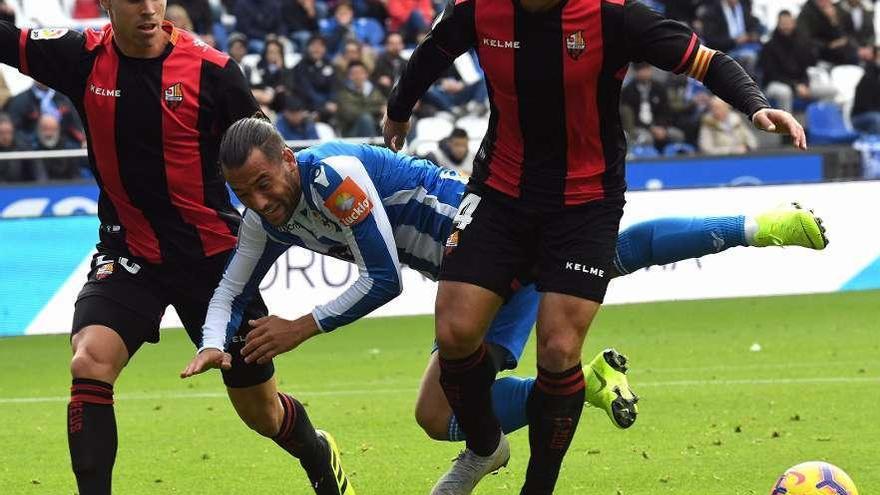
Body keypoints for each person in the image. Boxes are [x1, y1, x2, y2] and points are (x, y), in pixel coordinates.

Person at [181, 120, 827, 478]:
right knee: (613, 260)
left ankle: (756, 229)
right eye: (246, 194)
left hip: (491, 254)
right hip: (472, 274)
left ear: (289, 161)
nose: (259, 201)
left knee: (442, 409)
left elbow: (384, 276)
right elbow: (232, 286)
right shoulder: (268, 214)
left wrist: (301, 325)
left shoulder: (335, 180)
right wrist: (214, 341)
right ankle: (586, 385)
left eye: (265, 184)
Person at [382, 0, 806, 493]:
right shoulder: (479, 9)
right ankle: (485, 447)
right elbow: (433, 52)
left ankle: (538, 487)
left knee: (560, 348)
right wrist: (398, 109)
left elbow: (706, 61)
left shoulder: (613, 15)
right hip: (499, 193)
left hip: (584, 202)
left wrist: (755, 104)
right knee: (455, 332)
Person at [0, 2, 351, 494]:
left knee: (263, 414)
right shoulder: (79, 55)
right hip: (129, 252)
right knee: (89, 362)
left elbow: (269, 156)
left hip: (213, 263)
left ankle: (318, 452)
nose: (147, 8)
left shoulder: (214, 71)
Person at [759, 10, 837, 114]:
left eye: (789, 23)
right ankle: (786, 128)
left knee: (831, 90)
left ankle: (820, 122)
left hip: (799, 83)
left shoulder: (801, 43)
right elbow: (772, 74)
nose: (786, 26)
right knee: (785, 92)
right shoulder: (769, 46)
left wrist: (805, 84)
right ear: (778, 24)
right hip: (775, 84)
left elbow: (804, 69)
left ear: (794, 23)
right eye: (783, 23)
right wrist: (795, 86)